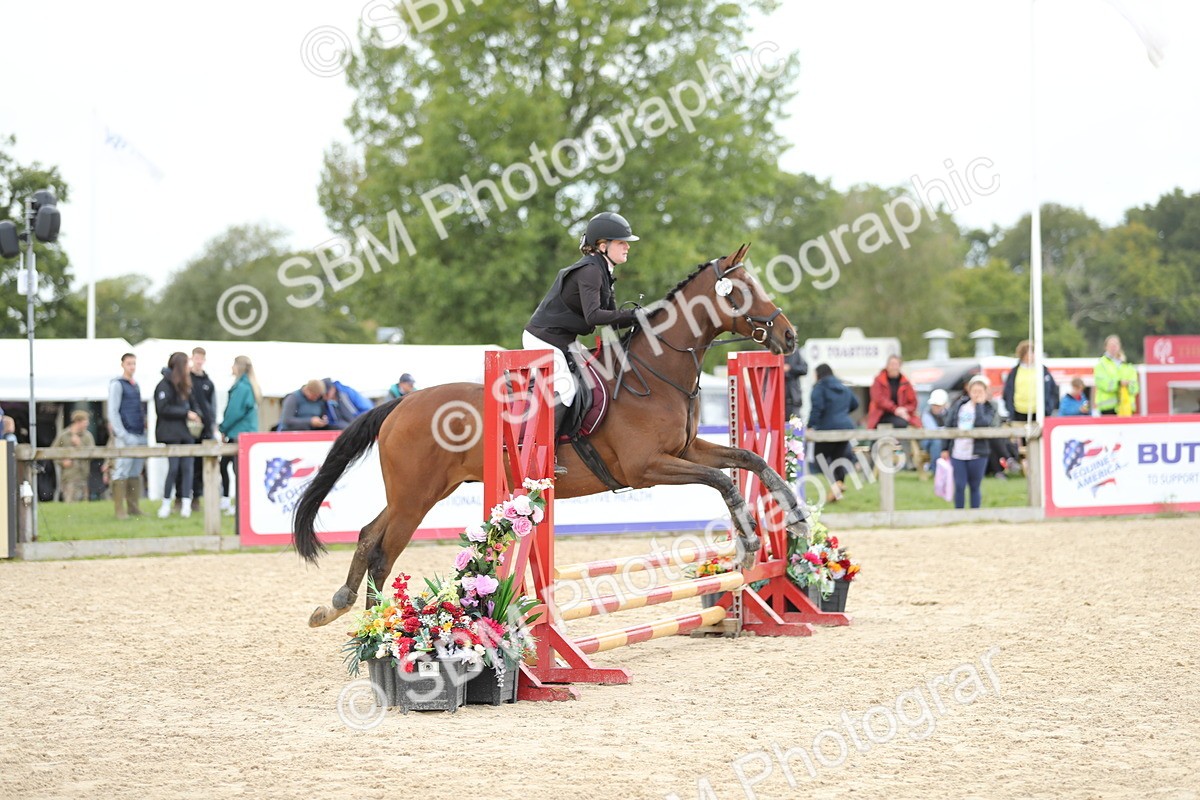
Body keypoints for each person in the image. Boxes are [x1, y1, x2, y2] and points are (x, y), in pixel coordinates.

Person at [524, 211, 642, 473]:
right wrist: (634, 315)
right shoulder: (590, 271)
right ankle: (543, 455)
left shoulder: (603, 270)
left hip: (562, 340)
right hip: (543, 338)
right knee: (566, 388)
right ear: (603, 246)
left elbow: (611, 319)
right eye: (621, 242)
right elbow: (594, 316)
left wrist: (642, 318)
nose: (627, 246)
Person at [154, 352, 203, 518]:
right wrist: (185, 413)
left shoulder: (186, 385)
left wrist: (196, 413)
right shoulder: (164, 385)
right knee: (173, 468)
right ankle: (166, 503)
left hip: (186, 434)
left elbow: (194, 405)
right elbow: (163, 409)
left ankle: (186, 505)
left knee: (188, 468)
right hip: (171, 434)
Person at [807, 363, 859, 504]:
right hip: (845, 428)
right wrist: (841, 414)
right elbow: (855, 403)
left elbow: (817, 409)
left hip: (827, 428)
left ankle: (835, 483)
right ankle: (838, 486)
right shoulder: (843, 386)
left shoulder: (819, 388)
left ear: (818, 374)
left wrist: (810, 426)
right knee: (839, 458)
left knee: (819, 458)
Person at [946, 375, 1000, 509]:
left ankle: (975, 514)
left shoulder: (989, 407)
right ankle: (959, 513)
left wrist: (979, 406)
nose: (977, 394)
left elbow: (982, 424)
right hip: (958, 451)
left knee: (975, 486)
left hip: (978, 452)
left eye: (980, 391)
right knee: (959, 485)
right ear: (969, 391)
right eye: (974, 391)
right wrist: (945, 448)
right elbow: (949, 426)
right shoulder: (959, 405)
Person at [218, 355, 261, 517]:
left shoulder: (242, 387)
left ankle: (241, 504)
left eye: (233, 364)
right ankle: (230, 501)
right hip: (242, 432)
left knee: (238, 471)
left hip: (239, 434)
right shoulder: (247, 385)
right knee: (227, 466)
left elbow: (234, 412)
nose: (231, 368)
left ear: (238, 366)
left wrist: (223, 428)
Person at [107, 352, 147, 519]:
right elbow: (113, 411)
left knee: (135, 471)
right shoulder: (117, 384)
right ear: (122, 364)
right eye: (129, 363)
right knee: (122, 470)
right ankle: (119, 510)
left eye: (134, 363)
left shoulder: (135, 385)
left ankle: (133, 506)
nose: (132, 367)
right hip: (126, 434)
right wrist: (121, 433)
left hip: (138, 433)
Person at [187, 347, 217, 503]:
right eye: (196, 358)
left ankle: (198, 496)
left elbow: (212, 406)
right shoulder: (186, 379)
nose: (199, 362)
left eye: (201, 359)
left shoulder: (208, 382)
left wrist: (212, 424)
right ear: (192, 358)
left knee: (203, 465)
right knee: (189, 463)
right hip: (190, 428)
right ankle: (187, 496)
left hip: (205, 429)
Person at [1001, 340, 1059, 421]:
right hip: (1019, 412)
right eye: (1028, 353)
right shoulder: (1014, 372)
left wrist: (1049, 407)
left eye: (1032, 353)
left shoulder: (1043, 370)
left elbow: (1053, 390)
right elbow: (1007, 392)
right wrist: (1010, 409)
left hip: (1040, 411)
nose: (1030, 356)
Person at [865, 355, 920, 430]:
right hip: (881, 414)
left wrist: (904, 409)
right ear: (887, 366)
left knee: (911, 424)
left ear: (900, 366)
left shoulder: (906, 382)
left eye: (896, 364)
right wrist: (895, 409)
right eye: (891, 364)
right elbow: (878, 399)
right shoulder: (878, 381)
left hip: (901, 414)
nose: (893, 367)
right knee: (901, 423)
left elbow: (913, 402)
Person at [53, 410, 95, 503]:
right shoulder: (64, 435)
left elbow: (93, 454)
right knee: (70, 502)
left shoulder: (88, 436)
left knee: (84, 504)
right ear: (77, 422)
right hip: (69, 476)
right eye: (85, 422)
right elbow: (52, 452)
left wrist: (80, 445)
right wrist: (62, 462)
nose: (87, 425)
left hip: (84, 475)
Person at [1094, 335, 1139, 416]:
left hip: (1126, 408)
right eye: (1111, 345)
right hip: (1108, 409)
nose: (1113, 347)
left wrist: (1128, 384)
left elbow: (1135, 388)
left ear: (1119, 346)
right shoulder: (1101, 364)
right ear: (1105, 347)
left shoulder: (1128, 366)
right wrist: (1119, 383)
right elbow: (1102, 384)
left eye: (1115, 345)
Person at [280, 379, 347, 431]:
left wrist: (323, 420)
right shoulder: (293, 398)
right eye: (314, 396)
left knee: (339, 427)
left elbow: (322, 415)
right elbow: (287, 420)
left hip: (313, 431)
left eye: (318, 396)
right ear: (307, 390)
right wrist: (310, 421)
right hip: (294, 432)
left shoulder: (319, 400)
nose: (315, 399)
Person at [920, 389, 951, 466]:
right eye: (934, 404)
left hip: (945, 440)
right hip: (929, 440)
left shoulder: (949, 413)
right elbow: (933, 431)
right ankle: (936, 469)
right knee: (937, 442)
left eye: (938, 405)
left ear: (944, 404)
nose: (935, 407)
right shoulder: (927, 414)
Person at [783, 348, 809, 422]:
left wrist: (790, 368)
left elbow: (804, 368)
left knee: (795, 428)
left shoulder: (794, 351)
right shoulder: (769, 350)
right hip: (775, 399)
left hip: (793, 398)